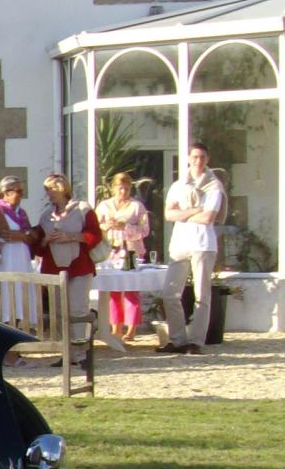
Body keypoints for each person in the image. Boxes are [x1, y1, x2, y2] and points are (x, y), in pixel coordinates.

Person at [159, 142, 225, 355]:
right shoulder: (178, 185)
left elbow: (208, 217)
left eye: (202, 157)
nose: (198, 161)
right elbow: (168, 214)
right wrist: (195, 209)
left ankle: (196, 341)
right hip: (180, 244)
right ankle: (177, 339)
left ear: (207, 159)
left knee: (201, 294)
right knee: (170, 292)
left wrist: (184, 212)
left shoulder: (213, 186)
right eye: (195, 157)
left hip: (203, 244)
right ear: (188, 158)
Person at [31, 173, 104, 364]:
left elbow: (95, 235)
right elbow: (37, 246)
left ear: (62, 188)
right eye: (46, 189)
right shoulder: (46, 215)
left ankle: (81, 353)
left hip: (79, 266)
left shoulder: (82, 209)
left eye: (51, 189)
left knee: (78, 310)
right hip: (54, 269)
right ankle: (66, 353)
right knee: (58, 312)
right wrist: (46, 239)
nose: (48, 193)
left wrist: (70, 237)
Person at [0, 176, 39, 365]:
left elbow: (32, 236)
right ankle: (5, 354)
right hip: (6, 261)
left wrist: (24, 236)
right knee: (6, 305)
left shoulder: (21, 212)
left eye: (22, 191)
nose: (20, 195)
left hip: (21, 260)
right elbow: (5, 233)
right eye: (17, 191)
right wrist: (24, 235)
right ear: (6, 192)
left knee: (20, 303)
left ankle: (16, 351)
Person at [96, 172, 151, 343]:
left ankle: (132, 328)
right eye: (120, 188)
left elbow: (145, 230)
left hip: (130, 251)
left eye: (127, 189)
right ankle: (115, 327)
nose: (123, 192)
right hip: (111, 251)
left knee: (131, 290)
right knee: (113, 291)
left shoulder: (137, 207)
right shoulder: (104, 206)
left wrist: (125, 227)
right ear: (113, 188)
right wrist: (106, 225)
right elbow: (95, 227)